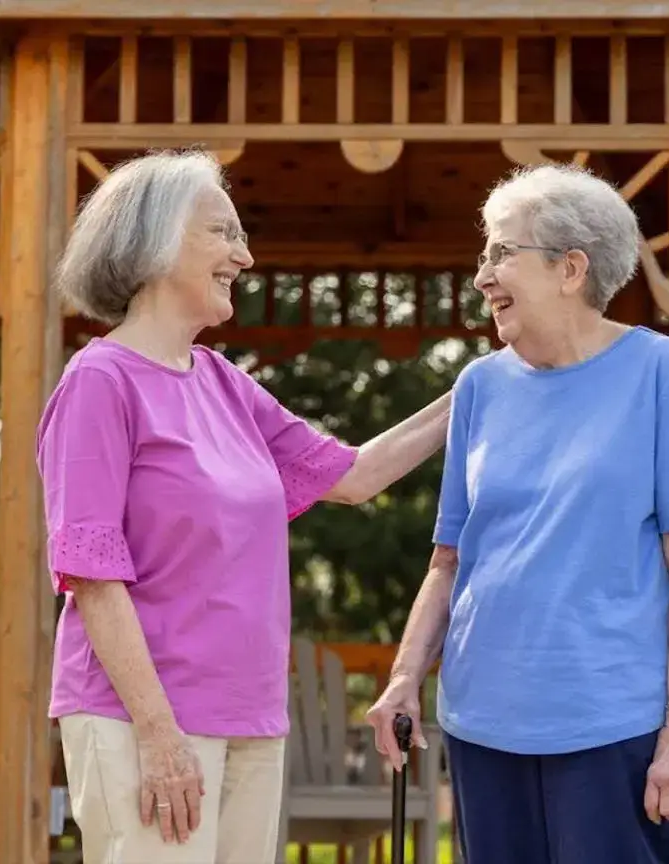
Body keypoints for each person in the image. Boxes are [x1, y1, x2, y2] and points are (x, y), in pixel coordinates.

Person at [38, 149, 452, 864]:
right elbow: (94, 577)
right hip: (145, 721)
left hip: (251, 718)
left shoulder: (223, 383)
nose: (247, 256)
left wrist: (477, 388)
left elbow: (354, 476)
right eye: (223, 233)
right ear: (158, 240)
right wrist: (158, 734)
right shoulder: (100, 382)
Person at [364, 162, 669, 864]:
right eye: (484, 255)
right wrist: (405, 676)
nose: (482, 277)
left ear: (571, 268)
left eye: (501, 252)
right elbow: (449, 561)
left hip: (610, 725)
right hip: (482, 724)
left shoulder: (659, 370)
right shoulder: (479, 387)